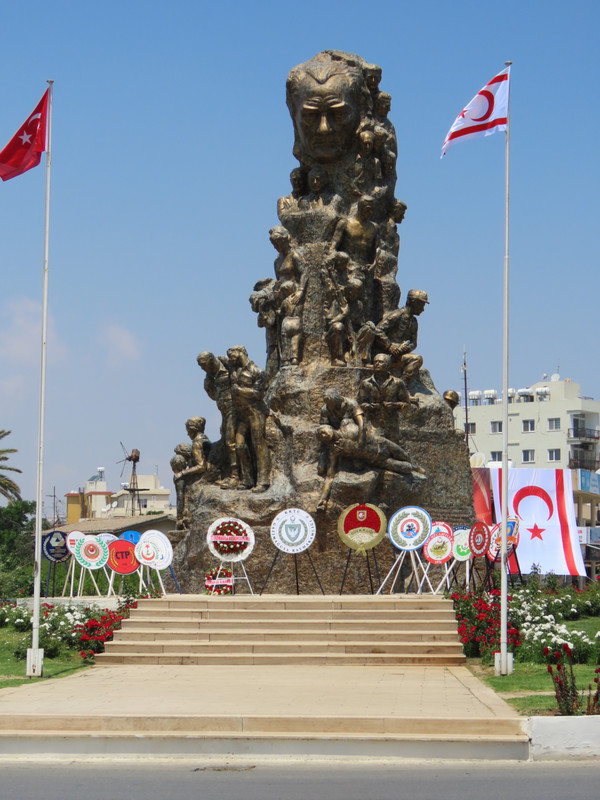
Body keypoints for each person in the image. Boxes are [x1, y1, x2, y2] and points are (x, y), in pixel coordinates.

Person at [227, 345, 271, 492]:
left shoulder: (257, 371)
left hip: (255, 413)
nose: (230, 358)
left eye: (232, 355)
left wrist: (240, 391)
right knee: (239, 445)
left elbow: (259, 394)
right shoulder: (234, 370)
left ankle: (263, 481)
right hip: (241, 414)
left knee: (259, 445)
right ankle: (247, 479)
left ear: (241, 352)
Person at [196, 351, 237, 487]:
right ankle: (228, 473)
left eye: (204, 366)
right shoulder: (209, 378)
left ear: (211, 360)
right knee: (226, 440)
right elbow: (212, 394)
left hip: (236, 410)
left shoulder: (228, 365)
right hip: (224, 412)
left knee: (231, 442)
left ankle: (235, 476)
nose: (203, 369)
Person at [374, 289, 429, 383]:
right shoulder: (397, 315)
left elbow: (414, 343)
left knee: (417, 359)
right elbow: (378, 330)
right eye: (421, 305)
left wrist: (405, 348)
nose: (423, 309)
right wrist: (390, 346)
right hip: (384, 355)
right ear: (414, 302)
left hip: (399, 356)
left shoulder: (414, 322)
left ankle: (403, 386)